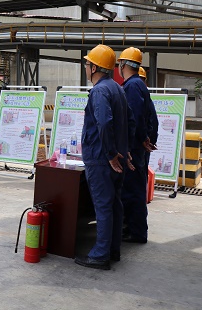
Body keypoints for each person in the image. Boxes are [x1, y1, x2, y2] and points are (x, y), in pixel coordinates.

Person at [75, 44, 133, 270]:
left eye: (87, 64)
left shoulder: (99, 91)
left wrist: (110, 155)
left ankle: (100, 255)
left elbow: (104, 123)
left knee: (103, 206)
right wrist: (124, 151)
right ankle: (113, 250)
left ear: (94, 68)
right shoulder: (118, 88)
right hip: (116, 156)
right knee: (114, 204)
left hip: (102, 158)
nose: (85, 67)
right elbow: (129, 122)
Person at [118, 47, 157, 244]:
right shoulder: (138, 85)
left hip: (133, 147)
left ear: (123, 64)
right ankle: (134, 229)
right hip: (137, 145)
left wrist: (141, 139)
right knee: (135, 188)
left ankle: (136, 232)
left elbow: (135, 116)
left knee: (132, 190)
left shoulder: (132, 86)